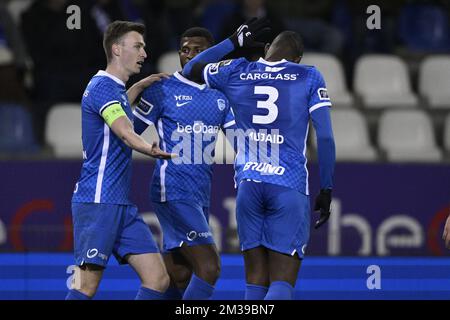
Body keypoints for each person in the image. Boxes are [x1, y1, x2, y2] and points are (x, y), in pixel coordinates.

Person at [182, 18, 336, 300]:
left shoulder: (237, 69)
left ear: (266, 49)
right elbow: (324, 137)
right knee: (282, 282)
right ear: (298, 58)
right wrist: (326, 188)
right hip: (288, 184)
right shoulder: (309, 76)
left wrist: (233, 42)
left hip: (249, 183)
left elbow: (190, 69)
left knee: (255, 281)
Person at [66, 21, 174, 300]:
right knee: (83, 286)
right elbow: (125, 131)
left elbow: (118, 111)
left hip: (121, 205)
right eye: (138, 46)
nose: (144, 54)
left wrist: (138, 87)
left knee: (158, 279)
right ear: (116, 49)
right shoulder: (102, 87)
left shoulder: (112, 90)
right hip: (98, 202)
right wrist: (148, 149)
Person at [133, 27, 235, 300]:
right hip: (172, 189)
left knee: (178, 274)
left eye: (198, 50)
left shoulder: (221, 95)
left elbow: (241, 142)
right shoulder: (162, 89)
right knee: (209, 267)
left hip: (200, 193)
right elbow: (128, 130)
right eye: (185, 49)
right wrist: (132, 91)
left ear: (212, 55)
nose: (189, 55)